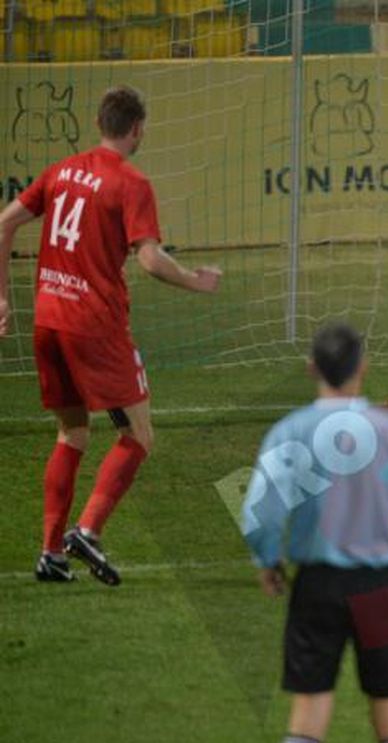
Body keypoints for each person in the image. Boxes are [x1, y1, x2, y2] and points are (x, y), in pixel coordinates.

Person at [0, 85, 222, 586]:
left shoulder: (60, 171)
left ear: (101, 123)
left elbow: (3, 225)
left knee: (71, 432)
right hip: (94, 328)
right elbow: (148, 259)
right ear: (137, 128)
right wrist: (195, 280)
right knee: (138, 434)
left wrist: (2, 298)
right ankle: (87, 531)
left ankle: (51, 554)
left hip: (48, 320)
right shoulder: (130, 182)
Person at [241, 322, 388, 743]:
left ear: (311, 368)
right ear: (363, 367)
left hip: (316, 586)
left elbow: (259, 513)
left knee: (308, 712)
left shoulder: (289, 431)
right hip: (381, 589)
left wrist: (267, 562)